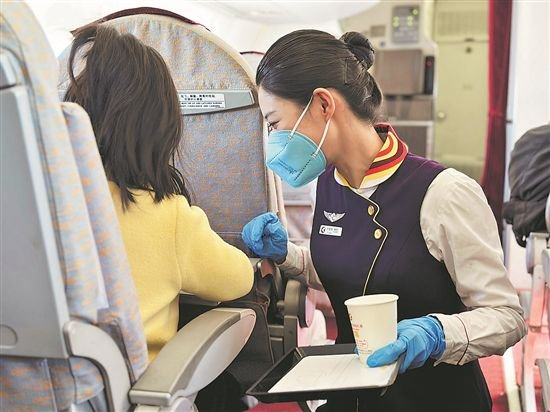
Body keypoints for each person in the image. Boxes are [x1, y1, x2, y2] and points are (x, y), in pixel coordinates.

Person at [241, 30, 526, 412]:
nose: (273, 139)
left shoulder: (443, 193)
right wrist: (287, 255)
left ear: (323, 104)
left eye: (275, 123)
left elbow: (507, 317)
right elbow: (354, 268)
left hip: (433, 401)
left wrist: (439, 333)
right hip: (353, 394)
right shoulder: (329, 182)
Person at [64, 25, 253, 362]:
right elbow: (238, 279)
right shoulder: (168, 217)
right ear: (159, 131)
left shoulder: (36, 209)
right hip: (130, 386)